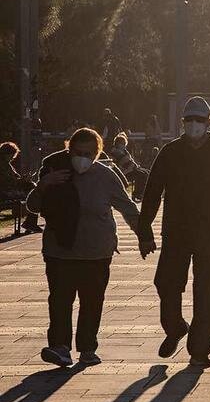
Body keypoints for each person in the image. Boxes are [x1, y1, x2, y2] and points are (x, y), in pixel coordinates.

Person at [138, 96, 210, 369]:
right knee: (166, 283)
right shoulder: (171, 152)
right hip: (175, 231)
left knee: (208, 291)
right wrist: (145, 230)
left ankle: (200, 349)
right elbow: (152, 192)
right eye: (190, 120)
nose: (194, 125)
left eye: (199, 120)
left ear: (209, 123)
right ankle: (174, 328)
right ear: (183, 123)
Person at [26, 128, 140, 367]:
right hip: (60, 251)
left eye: (88, 153)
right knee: (59, 300)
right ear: (69, 149)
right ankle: (60, 347)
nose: (82, 158)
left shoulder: (106, 175)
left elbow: (127, 207)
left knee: (92, 301)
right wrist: (43, 184)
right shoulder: (55, 169)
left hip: (96, 252)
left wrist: (144, 235)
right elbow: (33, 207)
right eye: (77, 152)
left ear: (97, 153)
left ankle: (87, 348)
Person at [0, 142, 42, 232]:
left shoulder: (7, 164)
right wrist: (23, 180)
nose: (12, 157)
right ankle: (30, 223)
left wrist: (23, 178)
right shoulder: (3, 165)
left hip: (8, 190)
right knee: (34, 193)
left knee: (32, 189)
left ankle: (30, 222)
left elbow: (15, 178)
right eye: (12, 155)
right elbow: (8, 181)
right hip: (5, 192)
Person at [108, 133, 150, 202]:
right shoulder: (115, 152)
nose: (123, 145)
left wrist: (135, 166)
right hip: (124, 172)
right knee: (141, 175)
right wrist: (133, 167)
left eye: (124, 143)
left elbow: (130, 161)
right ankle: (137, 194)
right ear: (117, 143)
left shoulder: (125, 151)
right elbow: (123, 163)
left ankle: (142, 192)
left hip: (130, 169)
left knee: (146, 172)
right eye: (122, 143)